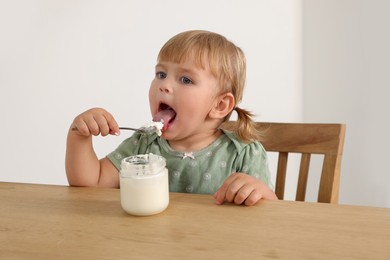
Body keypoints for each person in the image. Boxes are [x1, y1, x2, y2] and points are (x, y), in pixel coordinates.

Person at [66, 30, 278, 206]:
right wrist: (79, 137)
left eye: (185, 79)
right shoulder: (144, 145)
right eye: (161, 74)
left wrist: (259, 192)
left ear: (219, 105)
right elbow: (91, 183)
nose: (164, 85)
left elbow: (271, 213)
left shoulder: (242, 153)